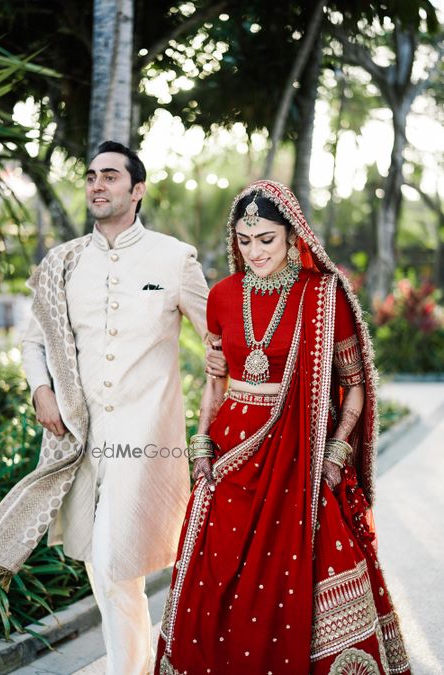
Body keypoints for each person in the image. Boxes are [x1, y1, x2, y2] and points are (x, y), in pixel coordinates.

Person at [155, 180, 411, 675]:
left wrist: (337, 453)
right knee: (216, 579)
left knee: (311, 575)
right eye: (244, 241)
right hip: (230, 455)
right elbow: (215, 382)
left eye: (266, 240)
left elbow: (354, 385)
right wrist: (201, 440)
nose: (254, 252)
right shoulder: (224, 296)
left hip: (304, 459)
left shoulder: (322, 296)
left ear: (294, 237)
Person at [0, 141, 226, 675]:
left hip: (146, 438)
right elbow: (36, 342)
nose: (98, 185)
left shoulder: (175, 258)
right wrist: (40, 390)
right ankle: (139, 663)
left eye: (111, 177)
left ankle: (131, 667)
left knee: (112, 556)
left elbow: (218, 340)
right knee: (107, 565)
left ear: (136, 190)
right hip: (80, 437)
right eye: (92, 176)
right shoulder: (64, 263)